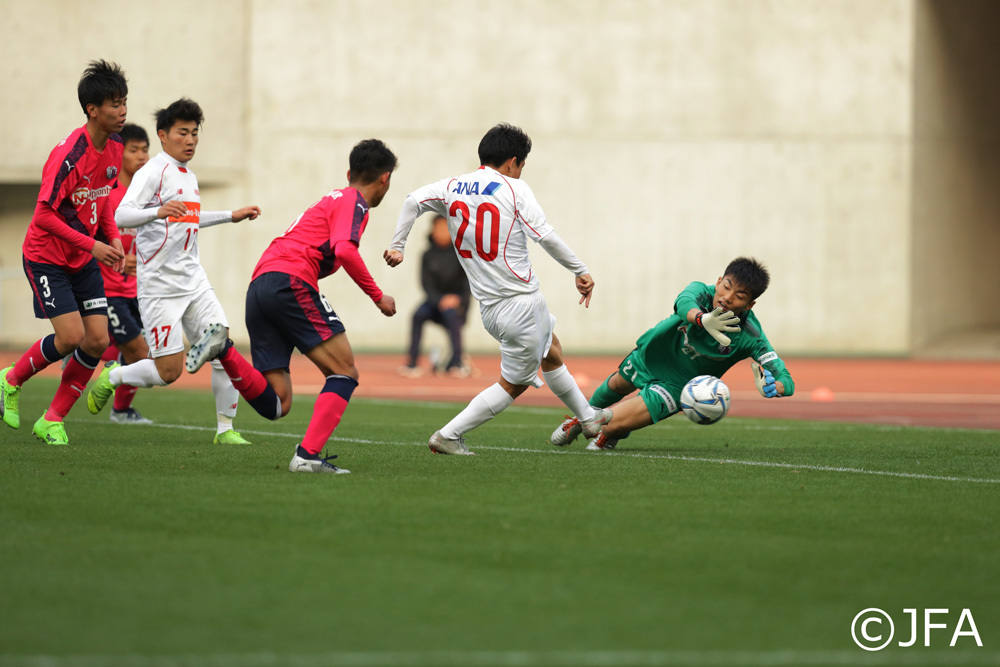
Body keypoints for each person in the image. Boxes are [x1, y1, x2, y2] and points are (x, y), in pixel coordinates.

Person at [384, 123, 609, 455]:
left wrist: (397, 245)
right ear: (512, 162)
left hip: (491, 307)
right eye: (521, 166)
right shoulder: (515, 189)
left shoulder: (452, 186)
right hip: (519, 302)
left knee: (551, 350)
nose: (519, 173)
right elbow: (544, 235)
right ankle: (448, 434)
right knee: (514, 384)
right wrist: (579, 270)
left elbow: (412, 200)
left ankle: (588, 418)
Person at [183, 139, 399, 474]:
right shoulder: (355, 202)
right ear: (384, 179)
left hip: (261, 284)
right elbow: (344, 250)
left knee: (277, 403)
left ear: (349, 172)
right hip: (290, 281)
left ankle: (223, 349)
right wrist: (378, 296)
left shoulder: (332, 197)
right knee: (344, 371)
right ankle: (307, 456)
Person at [86, 98, 261, 446]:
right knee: (168, 373)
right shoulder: (153, 171)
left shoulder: (189, 175)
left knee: (220, 344)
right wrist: (157, 212)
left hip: (193, 279)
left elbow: (189, 218)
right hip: (159, 287)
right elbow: (122, 215)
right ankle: (114, 376)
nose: (191, 140)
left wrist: (230, 215)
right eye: (183, 132)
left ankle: (225, 430)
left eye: (195, 133)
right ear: (163, 136)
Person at [0, 60, 128, 445]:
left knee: (97, 340)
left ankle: (51, 419)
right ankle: (10, 379)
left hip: (81, 258)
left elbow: (102, 199)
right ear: (93, 109)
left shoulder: (115, 148)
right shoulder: (69, 154)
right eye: (114, 104)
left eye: (124, 103)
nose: (122, 112)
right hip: (46, 256)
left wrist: (114, 238)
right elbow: (42, 215)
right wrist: (93, 244)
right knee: (71, 337)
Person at [550, 257, 795, 450]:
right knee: (616, 384)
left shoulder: (751, 335)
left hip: (678, 386)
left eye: (739, 296)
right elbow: (683, 302)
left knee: (611, 424)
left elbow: (786, 379)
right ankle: (579, 418)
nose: (727, 298)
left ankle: (609, 432)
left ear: (750, 305)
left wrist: (774, 388)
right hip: (653, 355)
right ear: (719, 281)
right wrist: (702, 319)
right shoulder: (701, 291)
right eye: (726, 287)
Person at [97, 122, 153, 424]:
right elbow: (90, 243)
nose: (142, 156)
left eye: (145, 150)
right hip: (109, 290)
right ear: (119, 154)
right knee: (140, 353)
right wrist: (114, 259)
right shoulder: (108, 195)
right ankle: (118, 405)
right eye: (134, 150)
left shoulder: (146, 197)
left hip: (138, 290)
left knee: (142, 354)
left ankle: (121, 409)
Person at [399, 214, 471, 378]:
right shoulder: (427, 255)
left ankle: (457, 363)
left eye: (445, 227)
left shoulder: (462, 254)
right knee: (417, 315)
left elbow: (468, 284)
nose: (442, 231)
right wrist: (440, 300)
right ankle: (412, 363)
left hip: (456, 303)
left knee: (451, 316)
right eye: (438, 227)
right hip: (434, 302)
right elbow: (426, 285)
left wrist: (457, 300)